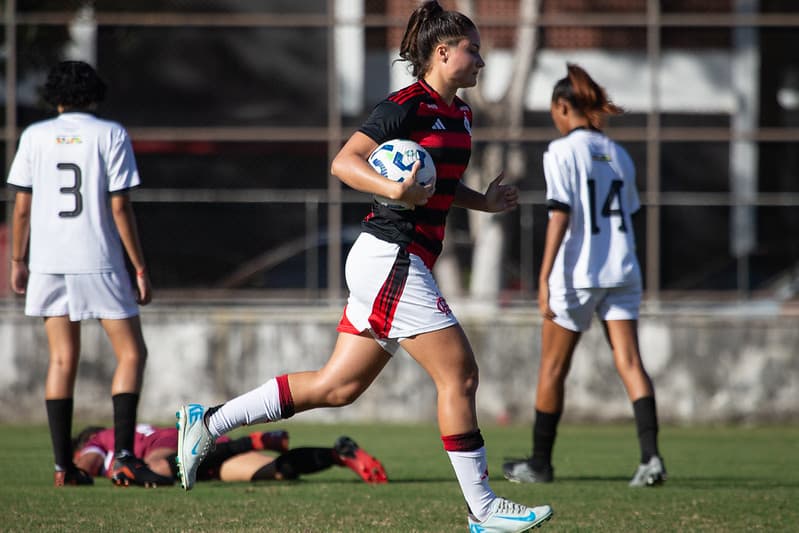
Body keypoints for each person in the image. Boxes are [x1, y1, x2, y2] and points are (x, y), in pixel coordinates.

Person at [176, 2, 553, 531]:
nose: (482, 61)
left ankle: (209, 421)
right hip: (390, 256)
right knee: (460, 374)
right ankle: (484, 509)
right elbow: (344, 161)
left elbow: (435, 186)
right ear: (443, 54)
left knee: (336, 388)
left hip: (397, 261)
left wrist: (481, 203)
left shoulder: (461, 113)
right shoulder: (404, 106)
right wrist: (392, 187)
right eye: (474, 50)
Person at [502, 64, 666, 488]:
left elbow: (560, 215)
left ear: (562, 107)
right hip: (623, 269)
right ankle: (651, 459)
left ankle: (540, 463)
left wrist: (542, 278)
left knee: (553, 368)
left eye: (553, 111)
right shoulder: (619, 154)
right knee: (630, 362)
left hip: (578, 273)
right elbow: (628, 214)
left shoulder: (561, 152)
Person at [6, 60, 164, 488]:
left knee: (61, 358)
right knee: (131, 354)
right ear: (95, 94)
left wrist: (18, 262)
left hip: (48, 261)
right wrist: (140, 266)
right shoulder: (110, 133)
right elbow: (119, 206)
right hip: (99, 258)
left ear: (53, 96)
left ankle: (63, 467)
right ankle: (125, 458)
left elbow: (21, 206)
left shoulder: (34, 136)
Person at [72, 424, 387, 486]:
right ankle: (338, 454)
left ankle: (253, 440)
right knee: (277, 471)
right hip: (212, 454)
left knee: (160, 469)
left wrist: (75, 472)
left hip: (174, 447)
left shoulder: (99, 439)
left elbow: (86, 465)